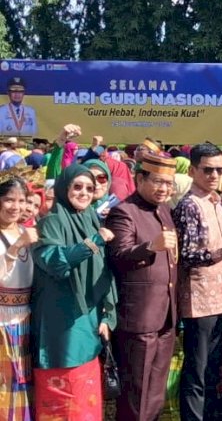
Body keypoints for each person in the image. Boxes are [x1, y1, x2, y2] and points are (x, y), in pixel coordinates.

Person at [31, 164, 117, 419]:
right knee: (61, 397)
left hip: (89, 320)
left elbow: (106, 271)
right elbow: (55, 262)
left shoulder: (91, 218)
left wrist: (108, 314)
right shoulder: (51, 222)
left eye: (89, 188)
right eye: (77, 187)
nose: (84, 193)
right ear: (63, 188)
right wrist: (92, 242)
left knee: (85, 398)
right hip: (60, 322)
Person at [105, 152, 181, 421]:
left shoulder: (164, 210)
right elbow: (118, 256)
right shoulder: (124, 212)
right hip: (138, 318)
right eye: (158, 182)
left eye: (169, 184)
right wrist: (150, 247)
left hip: (166, 314)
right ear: (139, 178)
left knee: (156, 391)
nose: (164, 189)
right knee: (136, 391)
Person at [172, 143, 222, 421]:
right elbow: (186, 255)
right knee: (198, 371)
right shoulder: (190, 205)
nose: (214, 175)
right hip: (200, 300)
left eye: (219, 170)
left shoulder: (216, 201)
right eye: (208, 169)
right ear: (192, 170)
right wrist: (221, 253)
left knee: (212, 368)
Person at [0, 177, 34, 419]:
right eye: (9, 199)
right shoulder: (22, 237)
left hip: (25, 321)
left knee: (23, 385)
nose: (16, 206)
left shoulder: (27, 232)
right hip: (2, 322)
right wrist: (15, 247)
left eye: (21, 201)